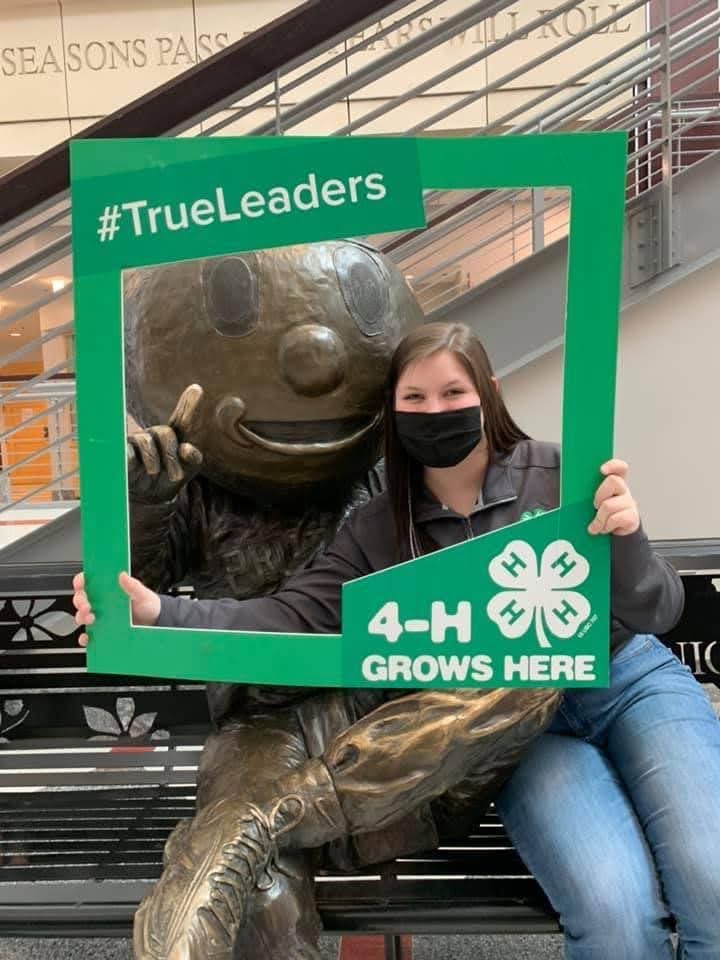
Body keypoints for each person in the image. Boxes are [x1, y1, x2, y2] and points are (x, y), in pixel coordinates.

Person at [73, 321, 720, 960]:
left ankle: (258, 827)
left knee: (711, 880)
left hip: (627, 681)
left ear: (489, 395)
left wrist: (627, 536)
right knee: (614, 918)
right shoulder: (379, 530)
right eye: (415, 399)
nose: (435, 411)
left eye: (453, 394)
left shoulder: (558, 475)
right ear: (393, 412)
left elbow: (659, 608)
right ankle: (252, 831)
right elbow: (287, 615)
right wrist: (158, 612)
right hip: (516, 726)